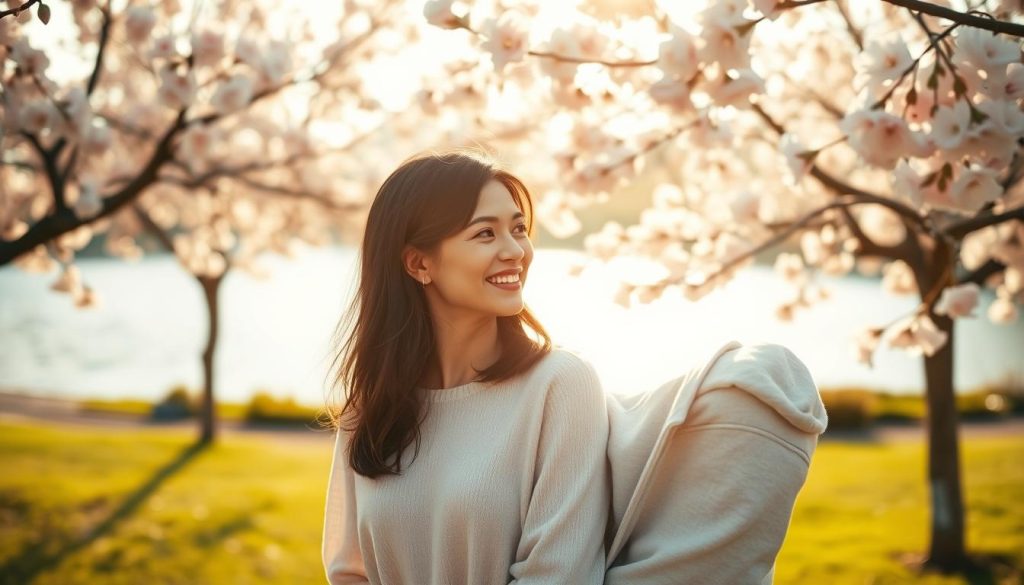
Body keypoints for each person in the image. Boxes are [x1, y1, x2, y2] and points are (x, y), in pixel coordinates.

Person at [322, 150, 611, 584]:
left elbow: (558, 575)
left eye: (518, 229)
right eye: (485, 234)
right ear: (419, 263)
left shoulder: (560, 386)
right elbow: (349, 570)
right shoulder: (370, 406)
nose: (516, 251)